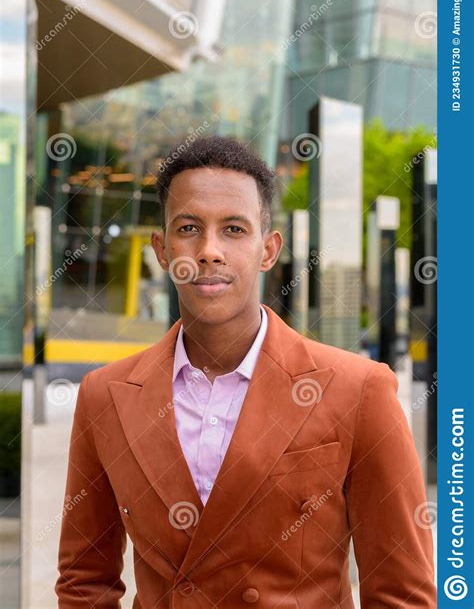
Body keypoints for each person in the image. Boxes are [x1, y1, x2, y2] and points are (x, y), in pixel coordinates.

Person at [55, 135, 436, 608]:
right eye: (189, 227)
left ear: (268, 249)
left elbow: (402, 594)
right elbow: (84, 581)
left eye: (234, 229)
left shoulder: (359, 391)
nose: (209, 250)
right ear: (161, 248)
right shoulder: (104, 395)